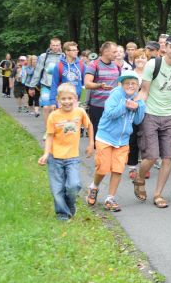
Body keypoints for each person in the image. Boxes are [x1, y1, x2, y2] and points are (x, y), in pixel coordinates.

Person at [134, 35, 171, 208]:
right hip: (150, 114)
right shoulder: (153, 64)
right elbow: (144, 91)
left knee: (167, 158)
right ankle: (139, 178)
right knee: (151, 156)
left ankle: (158, 194)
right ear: (165, 47)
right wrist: (135, 105)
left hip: (169, 117)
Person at [85, 70, 145, 212]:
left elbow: (138, 120)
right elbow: (111, 114)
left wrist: (139, 107)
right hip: (106, 137)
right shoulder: (115, 94)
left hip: (123, 140)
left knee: (118, 169)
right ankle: (94, 186)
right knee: (103, 167)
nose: (131, 86)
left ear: (138, 86)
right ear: (122, 84)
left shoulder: (138, 98)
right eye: (127, 83)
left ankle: (110, 198)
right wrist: (125, 104)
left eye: (134, 83)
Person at [37, 83, 94, 221]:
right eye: (63, 99)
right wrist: (45, 154)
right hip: (55, 157)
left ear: (75, 99)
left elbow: (89, 125)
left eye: (70, 98)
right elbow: (49, 135)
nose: (67, 101)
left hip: (72, 157)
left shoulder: (80, 112)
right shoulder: (54, 116)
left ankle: (70, 205)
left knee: (73, 185)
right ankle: (62, 215)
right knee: (57, 189)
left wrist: (91, 143)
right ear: (58, 100)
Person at [84, 41, 121, 139]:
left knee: (112, 134)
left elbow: (119, 83)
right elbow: (87, 84)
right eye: (114, 52)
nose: (116, 54)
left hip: (113, 106)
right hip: (98, 106)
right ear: (105, 52)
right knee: (98, 134)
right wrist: (100, 85)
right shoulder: (94, 64)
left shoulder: (117, 65)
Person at [26, 38, 64, 130]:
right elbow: (37, 71)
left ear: (60, 46)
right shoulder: (44, 56)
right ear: (50, 46)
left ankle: (56, 128)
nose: (55, 47)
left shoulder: (64, 56)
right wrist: (31, 87)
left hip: (58, 87)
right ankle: (48, 130)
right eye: (53, 45)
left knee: (55, 108)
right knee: (46, 107)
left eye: (57, 45)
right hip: (46, 85)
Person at [127, 48, 148, 179]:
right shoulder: (129, 73)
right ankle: (132, 167)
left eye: (143, 57)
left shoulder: (150, 74)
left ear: (147, 60)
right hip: (132, 111)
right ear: (134, 60)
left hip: (148, 110)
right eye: (137, 57)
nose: (140, 60)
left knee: (146, 139)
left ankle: (145, 167)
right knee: (133, 139)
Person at [50, 41, 85, 108]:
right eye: (73, 50)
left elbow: (85, 84)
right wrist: (53, 102)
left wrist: (83, 100)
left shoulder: (82, 65)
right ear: (66, 52)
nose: (76, 51)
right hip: (63, 101)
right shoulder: (59, 66)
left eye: (76, 50)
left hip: (78, 100)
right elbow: (54, 84)